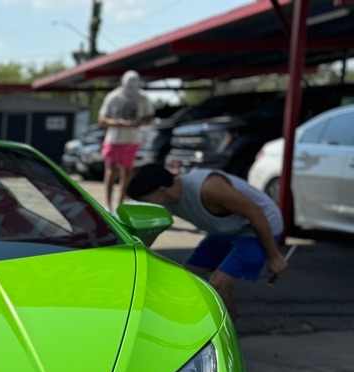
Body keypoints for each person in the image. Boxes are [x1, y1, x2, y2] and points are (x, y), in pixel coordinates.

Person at [126, 164, 290, 317]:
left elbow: (255, 212)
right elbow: (151, 233)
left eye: (146, 201)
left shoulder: (208, 188)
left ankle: (227, 337)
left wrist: (274, 256)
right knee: (186, 278)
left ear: (161, 191)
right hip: (226, 229)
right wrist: (132, 262)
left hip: (257, 226)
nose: (145, 205)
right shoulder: (165, 199)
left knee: (219, 284)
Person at [97, 70, 154, 210]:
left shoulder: (143, 97)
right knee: (110, 172)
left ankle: (120, 204)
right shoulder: (113, 96)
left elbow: (150, 116)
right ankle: (108, 205)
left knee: (127, 173)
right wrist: (117, 123)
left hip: (132, 141)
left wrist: (140, 121)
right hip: (113, 140)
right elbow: (101, 119)